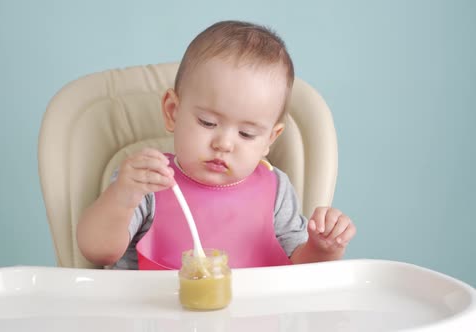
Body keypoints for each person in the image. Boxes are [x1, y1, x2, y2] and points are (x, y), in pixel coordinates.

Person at [77, 20, 356, 270]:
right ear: (173, 111)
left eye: (246, 134)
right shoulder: (148, 181)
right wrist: (123, 197)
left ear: (270, 139)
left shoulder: (277, 191)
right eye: (208, 123)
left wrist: (322, 249)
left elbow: (303, 274)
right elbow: (98, 251)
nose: (223, 144)